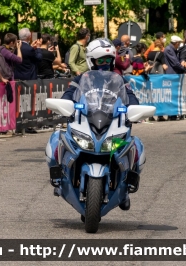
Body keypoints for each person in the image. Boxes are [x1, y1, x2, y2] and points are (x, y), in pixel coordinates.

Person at [49, 38, 142, 211]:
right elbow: (68, 95)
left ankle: (127, 187)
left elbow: (132, 98)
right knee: (56, 138)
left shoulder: (120, 81)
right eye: (101, 60)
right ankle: (58, 178)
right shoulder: (81, 79)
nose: (105, 64)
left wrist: (134, 110)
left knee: (135, 144)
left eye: (108, 60)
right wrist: (65, 106)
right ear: (91, 61)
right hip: (86, 123)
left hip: (112, 126)